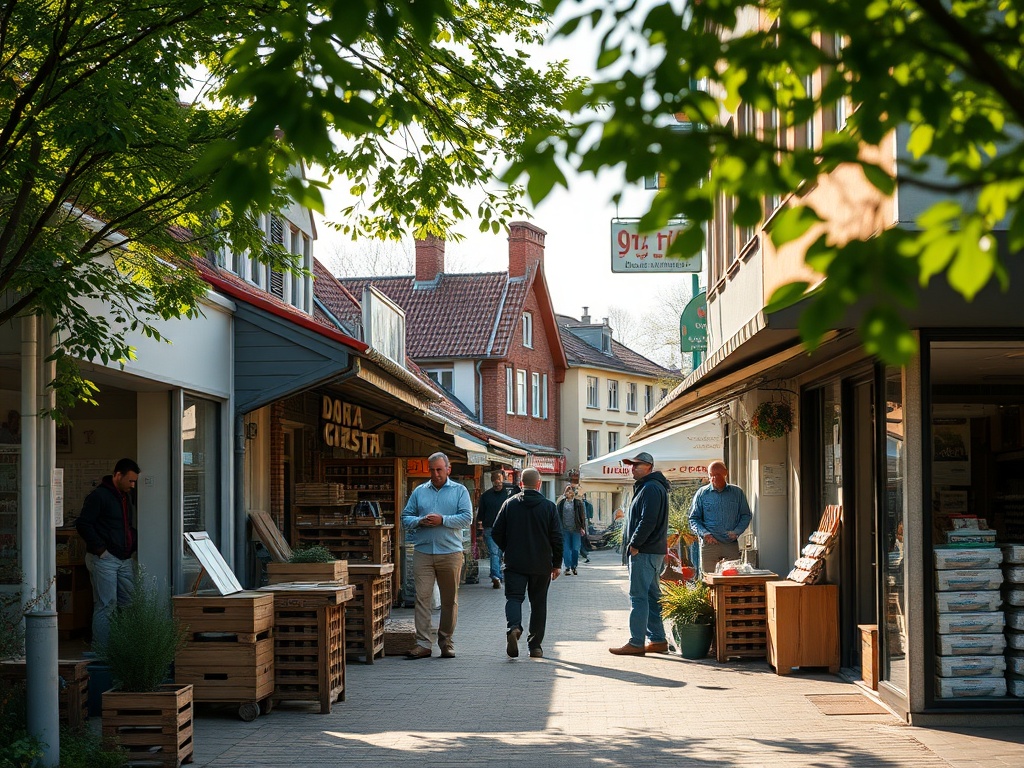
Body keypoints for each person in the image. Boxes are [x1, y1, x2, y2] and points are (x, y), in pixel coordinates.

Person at [401, 452, 473, 659]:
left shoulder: (459, 491)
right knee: (422, 598)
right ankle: (423, 643)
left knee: (449, 600)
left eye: (439, 469)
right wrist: (419, 521)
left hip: (450, 553)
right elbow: (405, 518)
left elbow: (467, 518)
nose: (435, 474)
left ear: (448, 469)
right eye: (432, 470)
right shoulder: (419, 491)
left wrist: (443, 520)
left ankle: (446, 641)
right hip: (423, 552)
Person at [491, 468, 562, 658]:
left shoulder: (509, 504)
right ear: (539, 484)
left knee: (514, 598)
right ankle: (535, 647)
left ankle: (514, 627)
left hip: (515, 562)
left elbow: (496, 531)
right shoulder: (549, 507)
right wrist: (556, 563)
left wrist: (508, 547)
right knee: (538, 603)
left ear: (521, 484)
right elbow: (557, 537)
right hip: (541, 563)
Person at [609, 451, 670, 656]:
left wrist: (635, 544)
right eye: (631, 465)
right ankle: (658, 640)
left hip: (644, 551)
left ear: (649, 467)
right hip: (651, 551)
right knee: (651, 596)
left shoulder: (651, 488)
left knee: (638, 597)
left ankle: (636, 642)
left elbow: (648, 520)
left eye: (637, 465)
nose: (632, 468)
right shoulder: (651, 486)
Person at [75, 458, 141, 647]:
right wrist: (101, 550)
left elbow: (125, 526)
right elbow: (83, 524)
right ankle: (102, 650)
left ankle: (125, 647)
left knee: (129, 603)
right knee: (107, 604)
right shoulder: (99, 496)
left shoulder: (125, 496)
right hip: (105, 558)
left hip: (123, 558)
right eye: (130, 480)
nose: (133, 485)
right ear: (118, 475)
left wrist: (132, 545)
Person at [688, 460, 752, 575]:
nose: (714, 478)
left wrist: (737, 531)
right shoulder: (702, 493)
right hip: (710, 544)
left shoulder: (737, 492)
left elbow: (746, 515)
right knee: (709, 577)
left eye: (717, 474)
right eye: (711, 475)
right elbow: (694, 518)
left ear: (725, 473)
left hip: (730, 543)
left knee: (732, 577)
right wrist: (705, 533)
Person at [476, 469, 514, 589]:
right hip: (490, 528)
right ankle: (496, 576)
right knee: (494, 552)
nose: (497, 484)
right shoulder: (486, 496)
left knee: (499, 552)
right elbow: (481, 514)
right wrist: (479, 531)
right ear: (492, 482)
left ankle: (498, 574)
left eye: (499, 481)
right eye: (495, 482)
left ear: (503, 480)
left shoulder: (508, 495)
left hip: (505, 528)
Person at [555, 484, 586, 575]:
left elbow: (582, 516)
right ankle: (567, 567)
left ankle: (574, 566)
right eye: (567, 491)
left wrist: (582, 527)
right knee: (566, 549)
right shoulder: (561, 503)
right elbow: (557, 516)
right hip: (564, 529)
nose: (568, 493)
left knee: (575, 548)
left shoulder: (578, 503)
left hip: (576, 529)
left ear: (573, 493)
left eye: (570, 491)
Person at [578, 492, 594, 563]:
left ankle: (583, 555)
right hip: (578, 526)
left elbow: (584, 516)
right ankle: (584, 554)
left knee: (580, 541)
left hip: (578, 527)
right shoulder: (582, 504)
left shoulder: (583, 504)